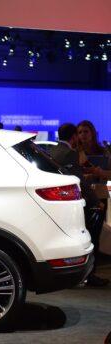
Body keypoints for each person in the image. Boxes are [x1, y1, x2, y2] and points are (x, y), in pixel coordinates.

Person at [75, 120, 111, 287]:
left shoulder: (103, 152)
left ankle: (92, 273)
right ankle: (78, 273)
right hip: (82, 197)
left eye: (86, 132)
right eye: (80, 132)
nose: (83, 135)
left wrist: (100, 172)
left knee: (95, 236)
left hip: (100, 196)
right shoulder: (75, 152)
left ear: (93, 133)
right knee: (82, 235)